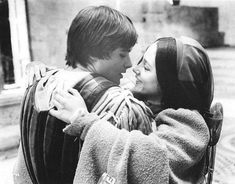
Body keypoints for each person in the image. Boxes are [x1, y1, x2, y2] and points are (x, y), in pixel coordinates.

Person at [14, 6, 154, 184]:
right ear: (97, 50)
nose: (129, 64)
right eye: (122, 54)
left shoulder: (36, 84)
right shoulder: (122, 106)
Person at [47, 36, 217, 184]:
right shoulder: (142, 104)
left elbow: (149, 157)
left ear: (170, 84)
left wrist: (84, 121)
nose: (134, 69)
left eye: (146, 67)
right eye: (140, 61)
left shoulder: (191, 128)